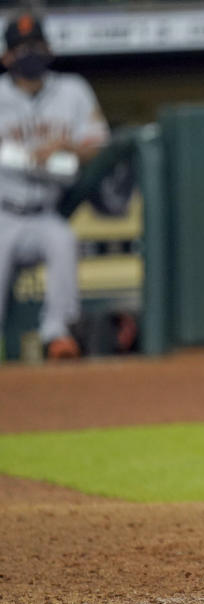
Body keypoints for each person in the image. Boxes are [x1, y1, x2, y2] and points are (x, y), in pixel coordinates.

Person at [0, 11, 109, 359]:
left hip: (45, 210)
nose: (29, 53)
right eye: (21, 48)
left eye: (35, 45)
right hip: (3, 211)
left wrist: (65, 147)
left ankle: (57, 335)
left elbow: (99, 143)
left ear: (49, 48)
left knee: (63, 240)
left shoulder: (72, 90)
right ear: (6, 57)